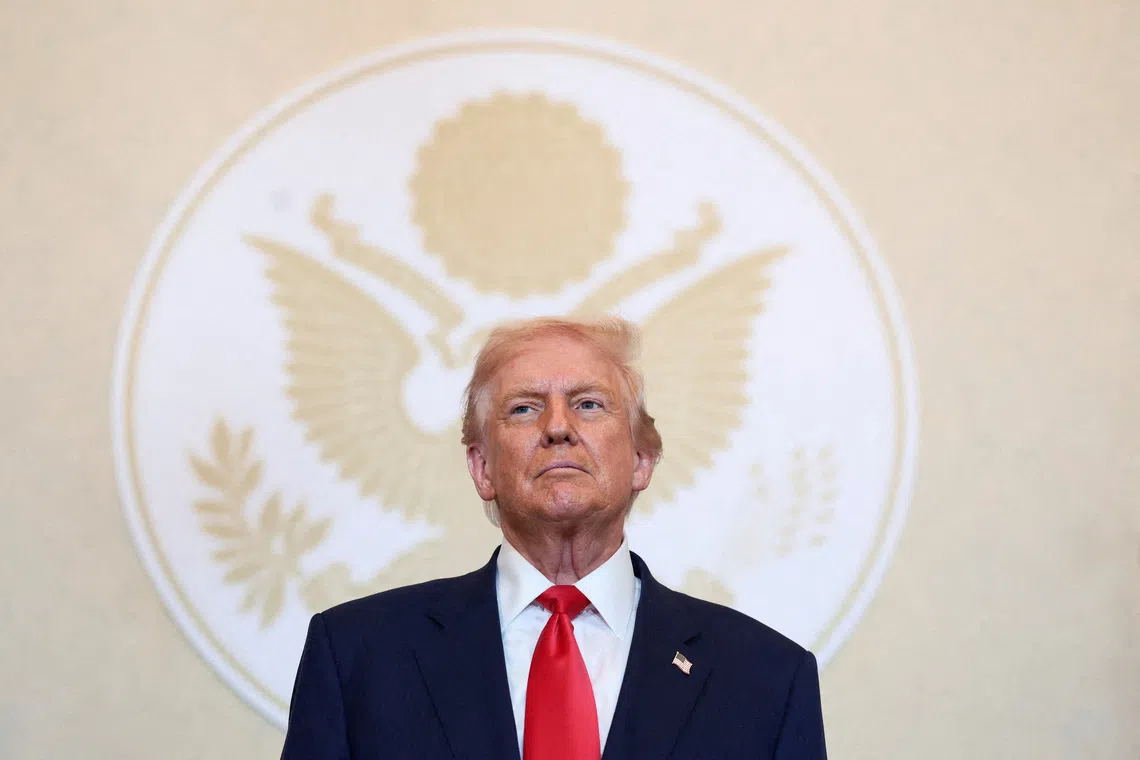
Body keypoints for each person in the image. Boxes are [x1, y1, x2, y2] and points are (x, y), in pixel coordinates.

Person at [280, 317, 827, 759]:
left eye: (589, 404)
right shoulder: (357, 657)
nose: (558, 427)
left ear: (642, 459)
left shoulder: (767, 678)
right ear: (481, 468)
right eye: (524, 408)